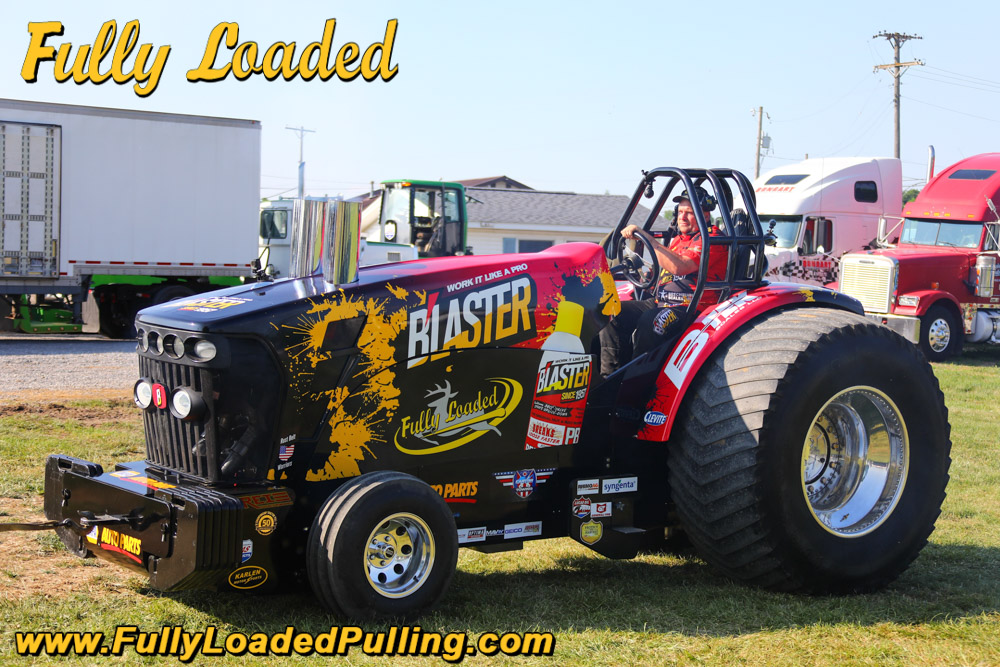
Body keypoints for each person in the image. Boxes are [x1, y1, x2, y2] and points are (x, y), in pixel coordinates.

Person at [600, 187, 728, 377]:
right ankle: (610, 379)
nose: (682, 217)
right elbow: (663, 272)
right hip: (661, 301)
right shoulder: (677, 240)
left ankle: (635, 385)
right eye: (680, 212)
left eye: (689, 213)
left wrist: (648, 239)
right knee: (611, 311)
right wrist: (644, 275)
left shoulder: (712, 238)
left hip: (691, 307)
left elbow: (680, 266)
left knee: (651, 321)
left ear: (705, 215)